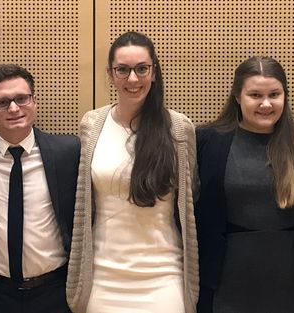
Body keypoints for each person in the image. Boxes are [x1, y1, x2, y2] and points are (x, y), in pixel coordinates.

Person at [66, 31, 198, 313]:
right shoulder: (92, 125)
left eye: (142, 69)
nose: (133, 79)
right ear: (110, 74)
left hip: (164, 277)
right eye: (123, 70)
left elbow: (188, 204)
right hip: (102, 277)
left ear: (153, 72)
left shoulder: (179, 128)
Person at [195, 56, 294, 313]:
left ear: (285, 96)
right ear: (237, 97)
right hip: (229, 277)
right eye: (255, 95)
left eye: (274, 94)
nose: (266, 104)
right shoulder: (208, 141)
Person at [0, 64, 78, 312]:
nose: (14, 108)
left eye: (21, 99)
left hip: (54, 292)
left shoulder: (69, 152)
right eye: (2, 102)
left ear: (34, 102)